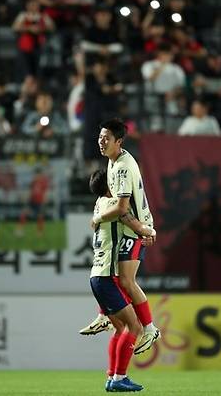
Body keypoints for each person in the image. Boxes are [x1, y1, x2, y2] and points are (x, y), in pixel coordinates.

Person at [80, 118, 160, 355]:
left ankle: (150, 328)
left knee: (125, 280)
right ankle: (104, 315)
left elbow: (122, 208)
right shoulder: (113, 162)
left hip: (133, 228)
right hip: (130, 227)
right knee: (113, 275)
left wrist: (98, 218)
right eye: (100, 138)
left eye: (106, 139)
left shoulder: (123, 167)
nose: (101, 142)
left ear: (119, 141)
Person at [87, 168, 156, 392]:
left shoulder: (99, 205)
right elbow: (134, 223)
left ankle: (112, 376)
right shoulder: (114, 206)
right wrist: (149, 232)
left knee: (120, 329)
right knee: (134, 325)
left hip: (96, 276)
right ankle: (119, 378)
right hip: (107, 278)